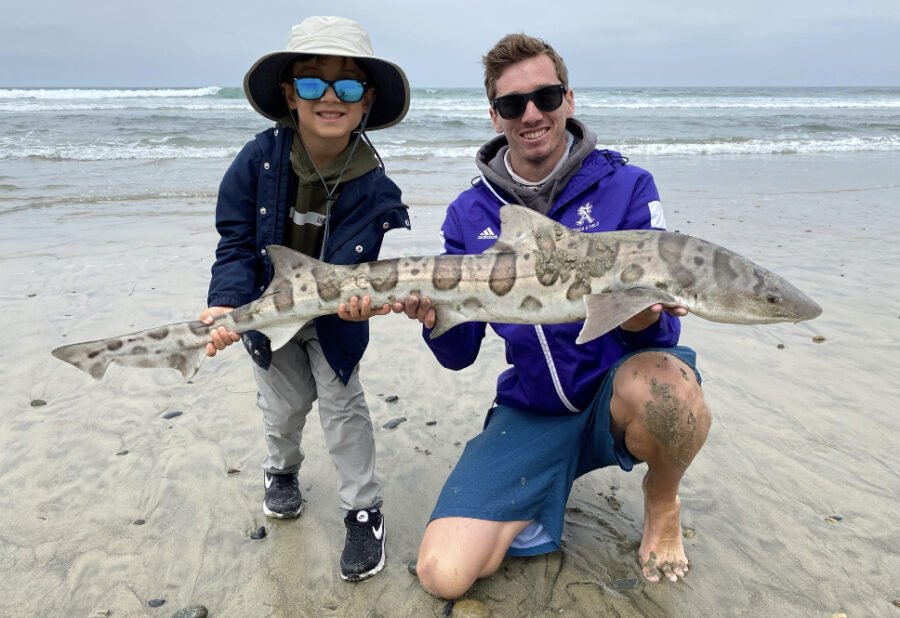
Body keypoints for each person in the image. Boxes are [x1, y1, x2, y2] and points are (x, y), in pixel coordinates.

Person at [399, 33, 712, 598]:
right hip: (534, 408)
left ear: (568, 99)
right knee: (443, 575)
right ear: (496, 116)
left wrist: (638, 314)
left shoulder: (626, 187)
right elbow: (459, 353)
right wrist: (430, 316)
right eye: (514, 104)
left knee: (669, 389)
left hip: (616, 393)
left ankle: (662, 501)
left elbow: (664, 331)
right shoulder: (471, 214)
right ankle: (544, 489)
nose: (533, 114)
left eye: (545, 96)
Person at [199, 16, 411, 582]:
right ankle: (281, 470)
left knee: (345, 409)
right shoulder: (255, 160)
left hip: (336, 316)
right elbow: (238, 241)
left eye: (347, 86)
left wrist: (364, 302)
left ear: (366, 102)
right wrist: (226, 304)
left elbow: (362, 270)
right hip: (272, 307)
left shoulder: (376, 186)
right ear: (290, 95)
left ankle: (363, 510)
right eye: (314, 83)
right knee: (284, 407)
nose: (330, 97)